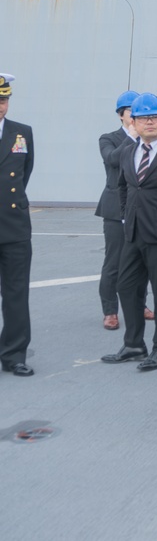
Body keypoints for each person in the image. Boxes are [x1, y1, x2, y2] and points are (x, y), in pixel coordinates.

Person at [101, 93, 157, 372]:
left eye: (155, 117)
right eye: (144, 118)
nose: (150, 122)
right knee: (126, 287)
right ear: (134, 121)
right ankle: (133, 343)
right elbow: (122, 187)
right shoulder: (128, 150)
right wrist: (125, 217)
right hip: (133, 233)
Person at [96, 90, 146, 331]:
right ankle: (110, 310)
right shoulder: (109, 138)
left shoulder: (149, 138)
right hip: (116, 209)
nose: (136, 116)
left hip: (142, 209)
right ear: (121, 115)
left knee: (141, 261)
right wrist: (133, 136)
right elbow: (113, 160)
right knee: (113, 262)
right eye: (131, 112)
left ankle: (139, 304)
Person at [0, 73, 34, 377]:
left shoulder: (22, 133)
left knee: (16, 293)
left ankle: (14, 355)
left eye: (4, 100)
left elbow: (25, 173)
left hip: (14, 227)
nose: (0, 106)